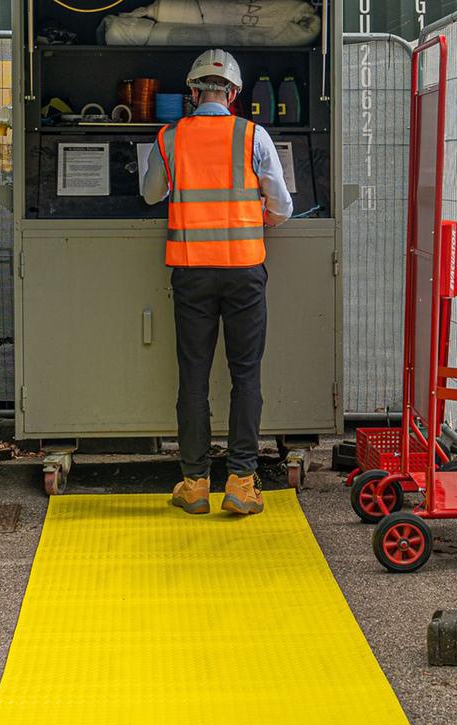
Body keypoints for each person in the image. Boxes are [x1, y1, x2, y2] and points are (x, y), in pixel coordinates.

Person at [141, 49, 293, 516]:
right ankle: (242, 482)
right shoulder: (254, 135)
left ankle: (194, 483)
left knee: (194, 375)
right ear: (233, 94)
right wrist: (257, 217)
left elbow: (151, 195)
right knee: (245, 373)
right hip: (245, 271)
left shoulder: (169, 137)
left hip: (191, 274)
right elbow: (282, 207)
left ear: (192, 92)